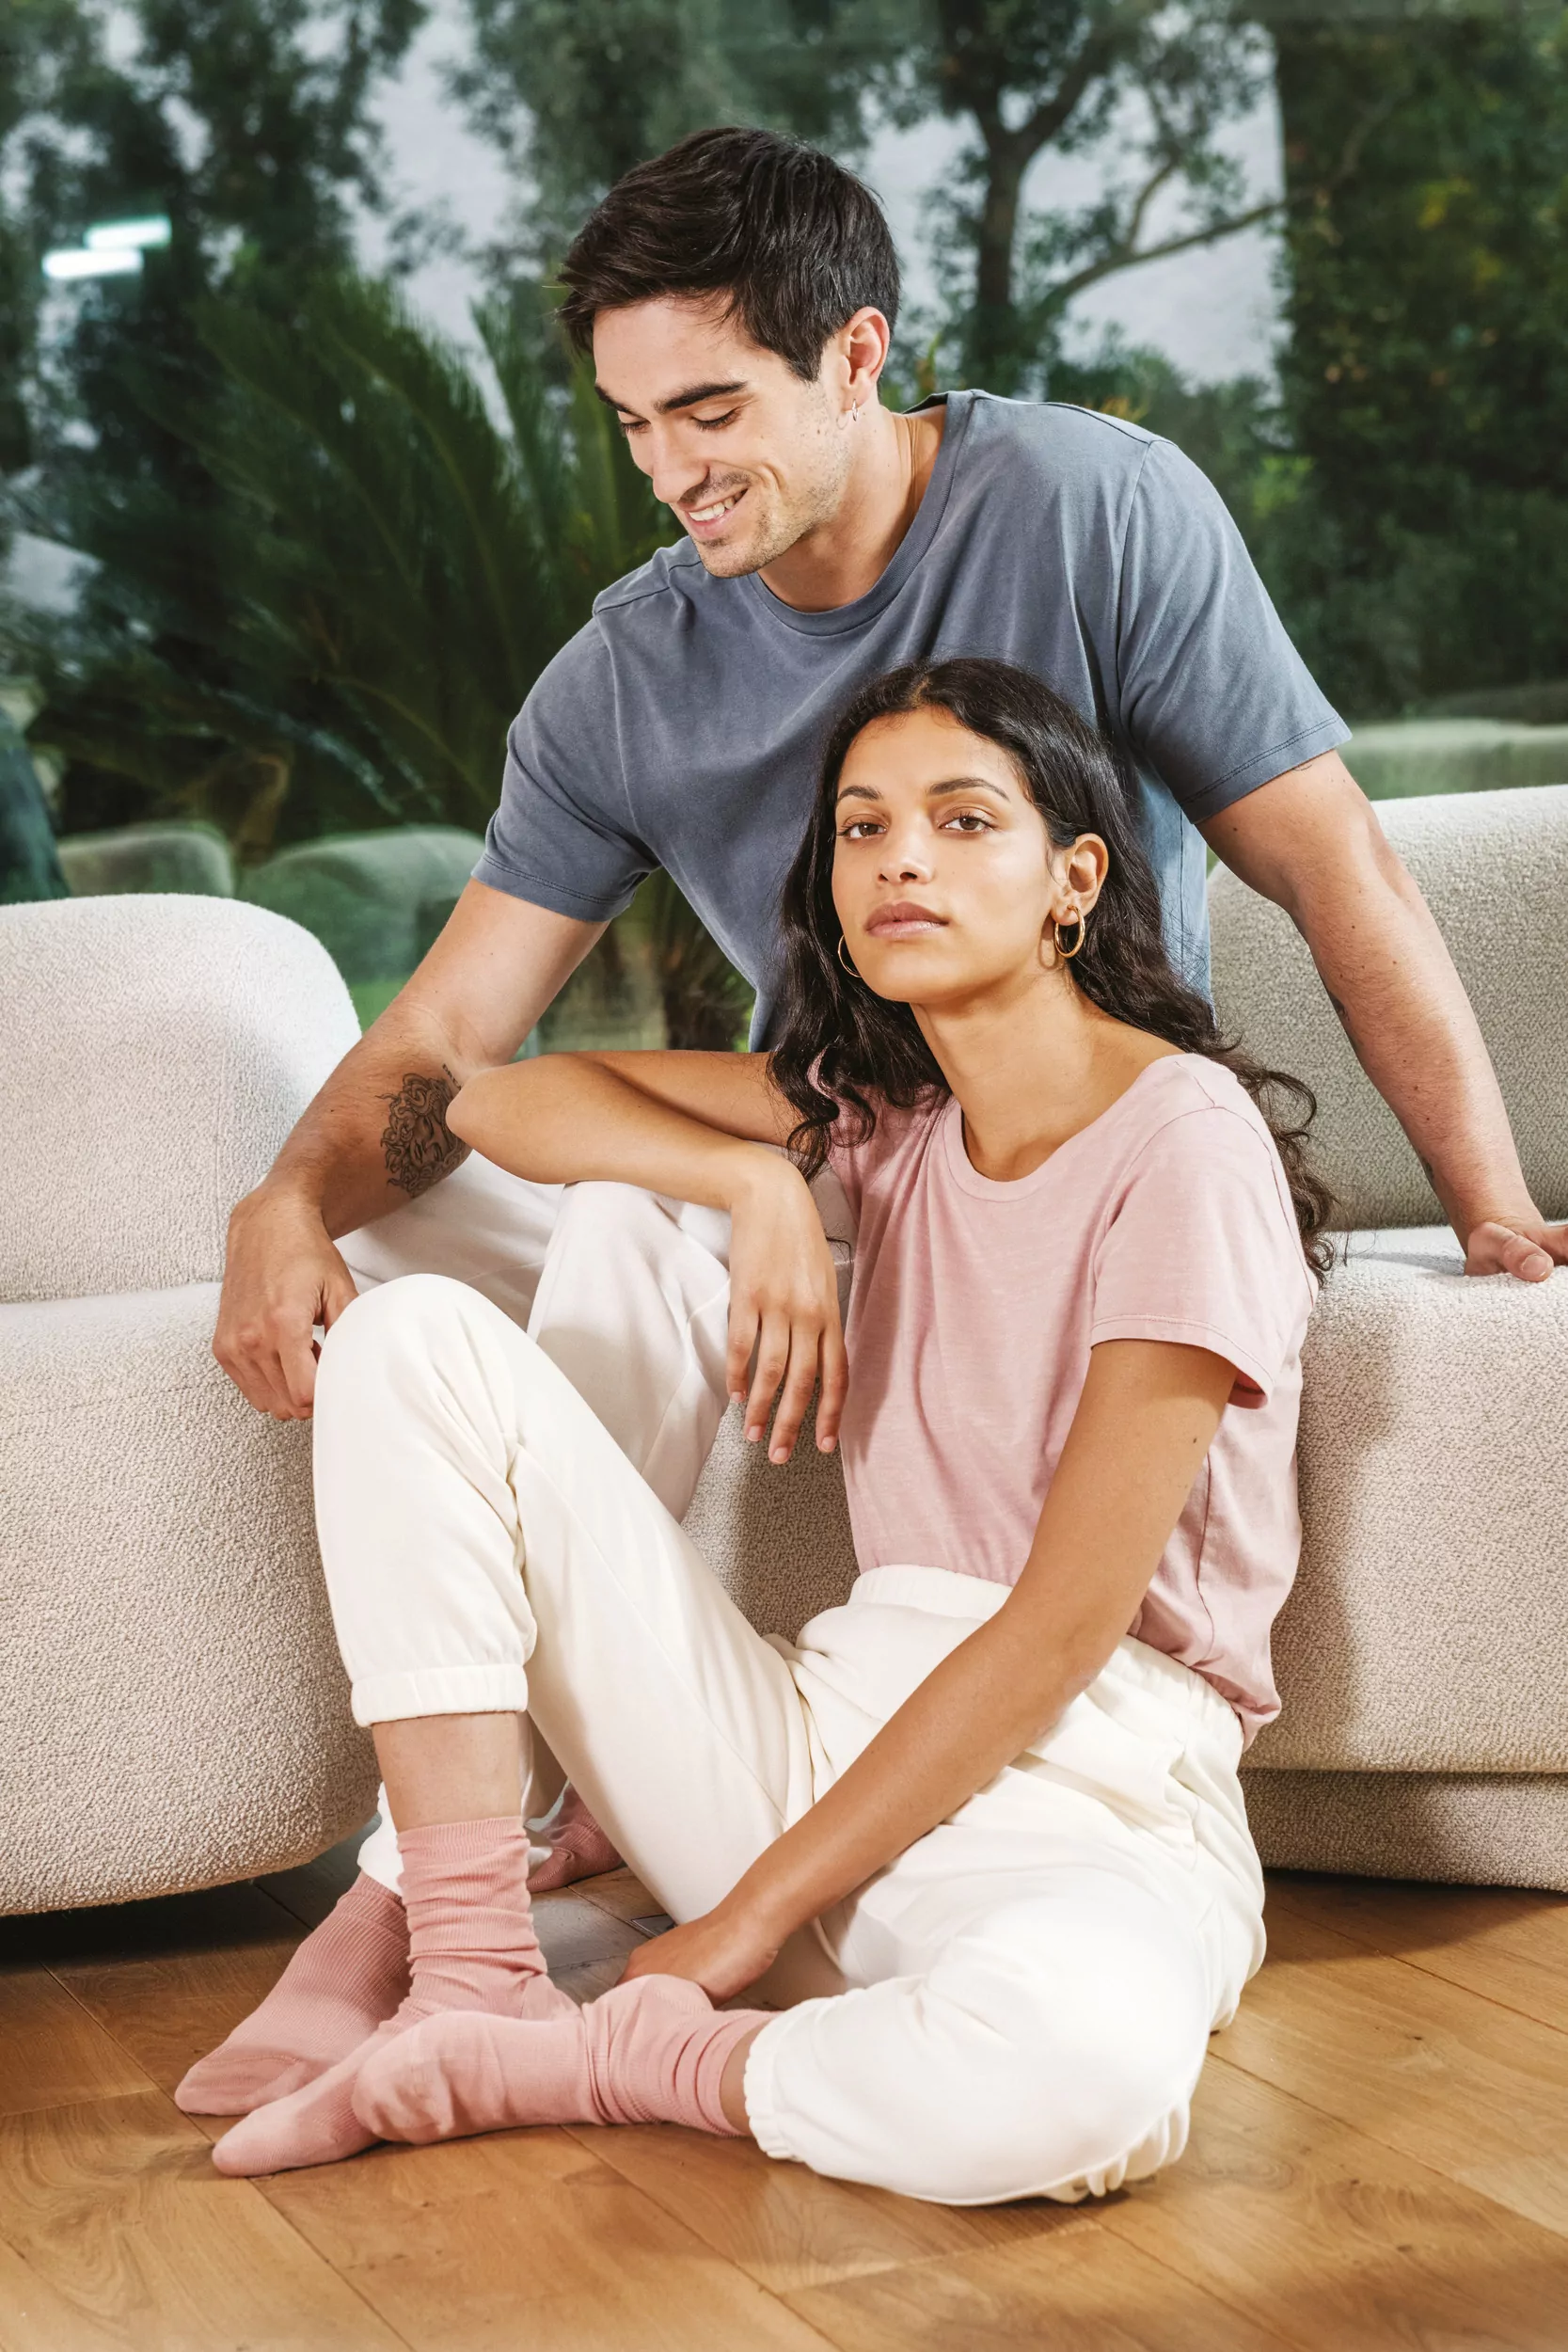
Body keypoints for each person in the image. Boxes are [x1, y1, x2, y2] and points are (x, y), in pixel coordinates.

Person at [184, 125, 1564, 2117]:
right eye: (632, 423)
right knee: (443, 1234)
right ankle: (437, 1906)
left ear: (854, 354)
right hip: (830, 1135)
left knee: (622, 1221)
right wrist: (287, 1200)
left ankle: (552, 1931)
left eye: (711, 410)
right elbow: (454, 1051)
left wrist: (1489, 1202)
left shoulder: (1092, 511)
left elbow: (1329, 861)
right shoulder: (626, 673)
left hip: (1038, 1140)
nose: (670, 470)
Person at [194, 657, 1326, 2198]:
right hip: (810, 1741)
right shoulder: (886, 1120)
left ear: (1073, 881)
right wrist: (749, 1180)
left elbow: (1062, 1626)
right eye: (862, 828)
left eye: (960, 820)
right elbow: (497, 1103)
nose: (900, 860)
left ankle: (596, 2059)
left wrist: (731, 1933)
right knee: (411, 1341)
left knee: (1082, 2075)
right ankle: (472, 1971)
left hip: (1090, 1786)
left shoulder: (1181, 1138)